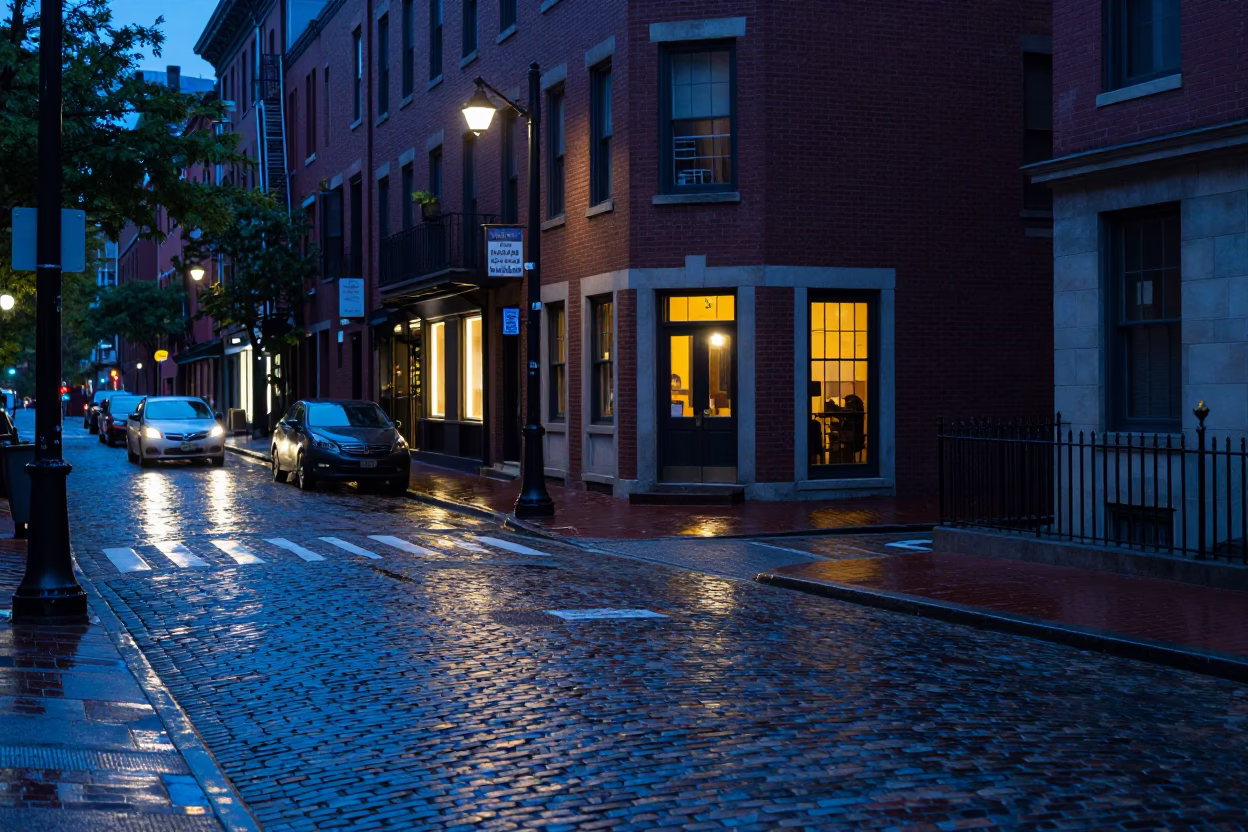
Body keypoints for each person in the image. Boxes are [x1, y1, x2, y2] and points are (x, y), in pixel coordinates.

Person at [825, 382, 865, 462]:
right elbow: (842, 413)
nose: (845, 404)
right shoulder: (855, 411)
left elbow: (842, 413)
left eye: (847, 403)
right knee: (845, 455)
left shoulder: (855, 412)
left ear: (852, 404)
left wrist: (833, 407)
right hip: (850, 439)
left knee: (847, 456)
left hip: (852, 440)